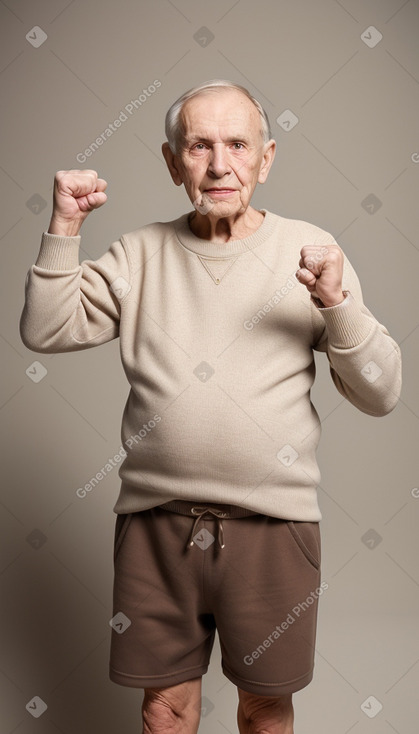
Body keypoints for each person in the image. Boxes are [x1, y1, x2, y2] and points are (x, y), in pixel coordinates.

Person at [19, 79, 402, 734]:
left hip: (272, 529)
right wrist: (65, 228)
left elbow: (379, 391)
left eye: (236, 144)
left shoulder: (309, 252)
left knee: (263, 709)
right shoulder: (138, 255)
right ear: (172, 163)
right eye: (198, 146)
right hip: (155, 528)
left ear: (265, 157)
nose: (219, 164)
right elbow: (46, 331)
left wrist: (336, 304)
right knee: (164, 711)